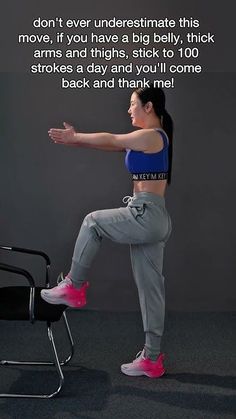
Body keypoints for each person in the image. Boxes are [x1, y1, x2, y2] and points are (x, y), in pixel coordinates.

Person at [41, 84, 173, 378]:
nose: (128, 110)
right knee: (151, 290)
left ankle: (74, 286)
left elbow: (113, 138)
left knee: (93, 222)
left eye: (132, 104)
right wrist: (75, 142)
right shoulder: (148, 138)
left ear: (148, 107)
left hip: (145, 214)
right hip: (155, 217)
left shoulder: (151, 135)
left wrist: (76, 138)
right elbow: (111, 144)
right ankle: (152, 359)